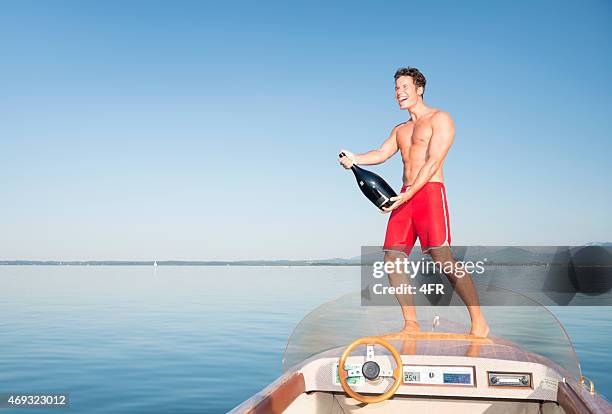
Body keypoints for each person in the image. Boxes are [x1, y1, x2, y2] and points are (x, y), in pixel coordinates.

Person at [339, 67, 490, 337]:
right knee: (392, 257)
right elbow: (382, 153)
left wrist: (411, 193)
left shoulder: (440, 119)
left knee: (442, 258)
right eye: (396, 88)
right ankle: (411, 323)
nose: (399, 92)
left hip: (429, 191)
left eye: (405, 86)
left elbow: (433, 162)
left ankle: (479, 320)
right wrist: (355, 159)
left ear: (419, 88)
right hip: (404, 194)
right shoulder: (400, 129)